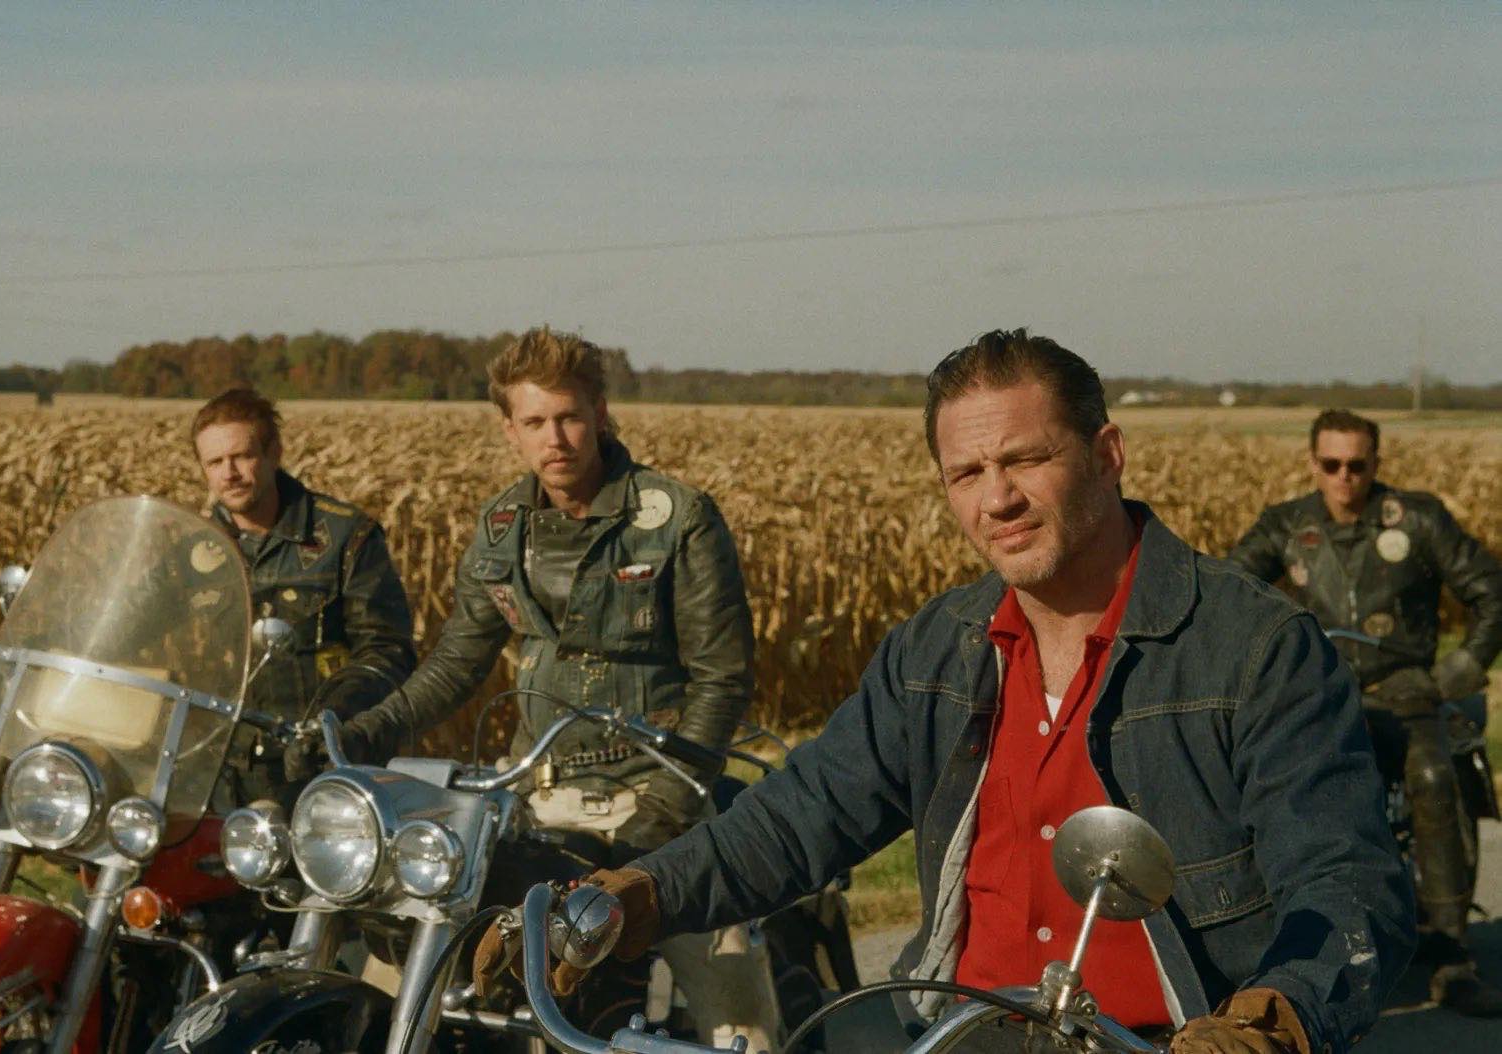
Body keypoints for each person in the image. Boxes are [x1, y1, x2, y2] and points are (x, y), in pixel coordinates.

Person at [499, 329, 1417, 1053]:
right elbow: (797, 817)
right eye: (967, 474)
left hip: (1171, 1040)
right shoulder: (934, 652)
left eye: (1025, 459)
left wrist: (1268, 1022)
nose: (998, 499)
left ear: (1106, 454)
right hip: (964, 1038)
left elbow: (1343, 881)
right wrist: (634, 898)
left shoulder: (1254, 650)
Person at [338, 326, 782, 1050]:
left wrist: (664, 816)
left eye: (570, 416)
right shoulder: (502, 529)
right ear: (509, 430)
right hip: (535, 801)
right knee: (403, 973)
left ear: (601, 413)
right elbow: (458, 660)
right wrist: (368, 732)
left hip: (659, 799)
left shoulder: (673, 519)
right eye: (536, 422)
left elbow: (721, 678)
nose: (557, 438)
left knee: (733, 1004)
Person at [1228, 408, 1502, 1015]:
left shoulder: (1419, 518)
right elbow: (1230, 592)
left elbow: (1491, 590)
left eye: (1357, 464)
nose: (1344, 476)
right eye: (1331, 464)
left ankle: (1451, 954)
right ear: (1314, 464)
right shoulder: (1286, 525)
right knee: (1252, 781)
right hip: (1315, 690)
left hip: (1403, 688)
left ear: (1377, 464)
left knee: (1432, 778)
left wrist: (1458, 670)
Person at [191, 388, 416, 804]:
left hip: (319, 769)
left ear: (274, 453)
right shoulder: (189, 548)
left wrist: (331, 722)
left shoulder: (344, 537)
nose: (230, 473)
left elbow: (388, 651)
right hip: (216, 770)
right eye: (215, 462)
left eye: (242, 456)